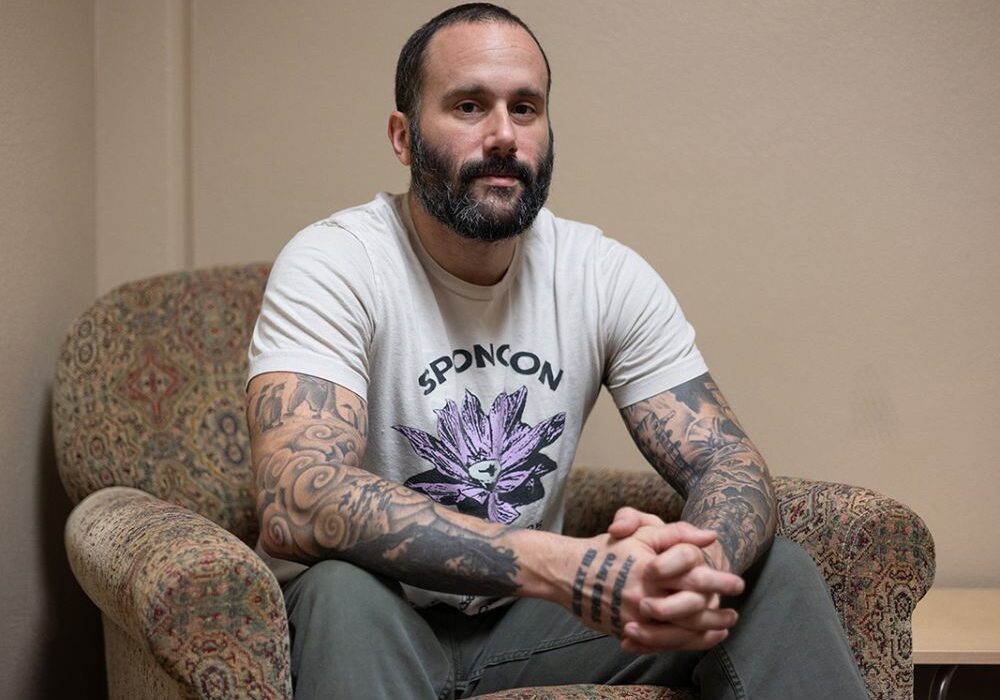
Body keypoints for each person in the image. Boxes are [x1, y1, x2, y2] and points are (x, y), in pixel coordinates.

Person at [246, 4, 868, 698]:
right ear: (403, 137)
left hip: (524, 626)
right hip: (370, 619)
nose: (503, 136)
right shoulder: (337, 262)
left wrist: (697, 564)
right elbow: (297, 498)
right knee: (339, 588)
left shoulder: (600, 273)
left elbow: (727, 460)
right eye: (468, 106)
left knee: (772, 572)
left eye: (525, 108)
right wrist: (561, 565)